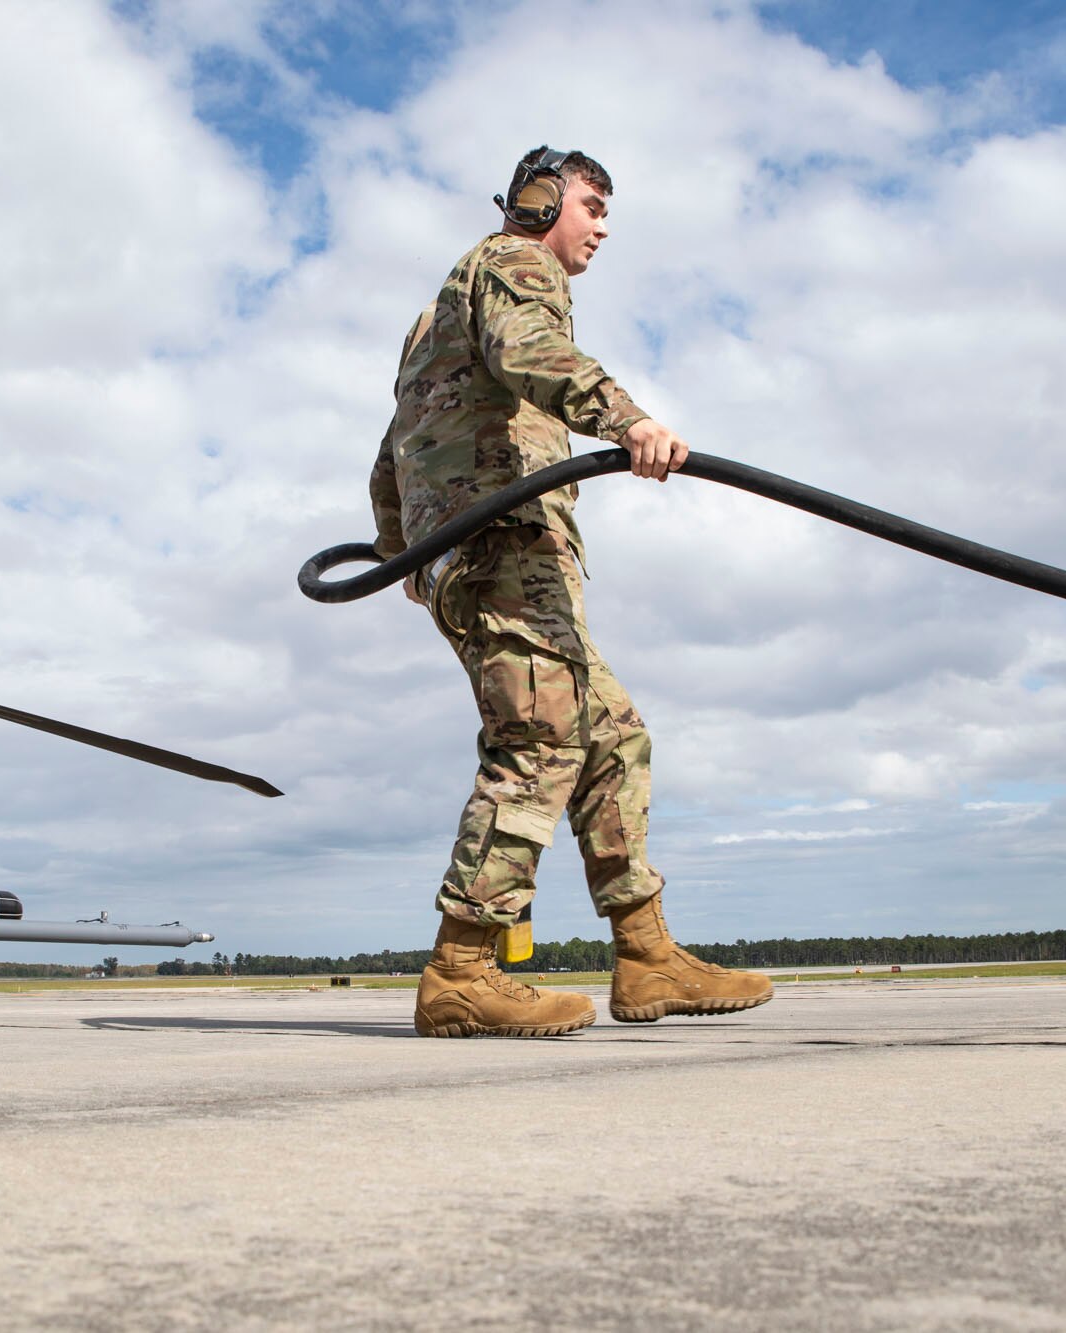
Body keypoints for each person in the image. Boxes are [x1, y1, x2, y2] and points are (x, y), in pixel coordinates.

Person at [368, 146, 772, 1037]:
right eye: (590, 204)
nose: (600, 226)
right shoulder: (515, 265)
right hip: (505, 541)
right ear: (541, 200)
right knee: (542, 736)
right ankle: (463, 966)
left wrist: (406, 557)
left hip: (474, 552)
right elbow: (531, 352)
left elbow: (392, 451)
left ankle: (647, 954)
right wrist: (625, 418)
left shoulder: (438, 311)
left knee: (612, 733)